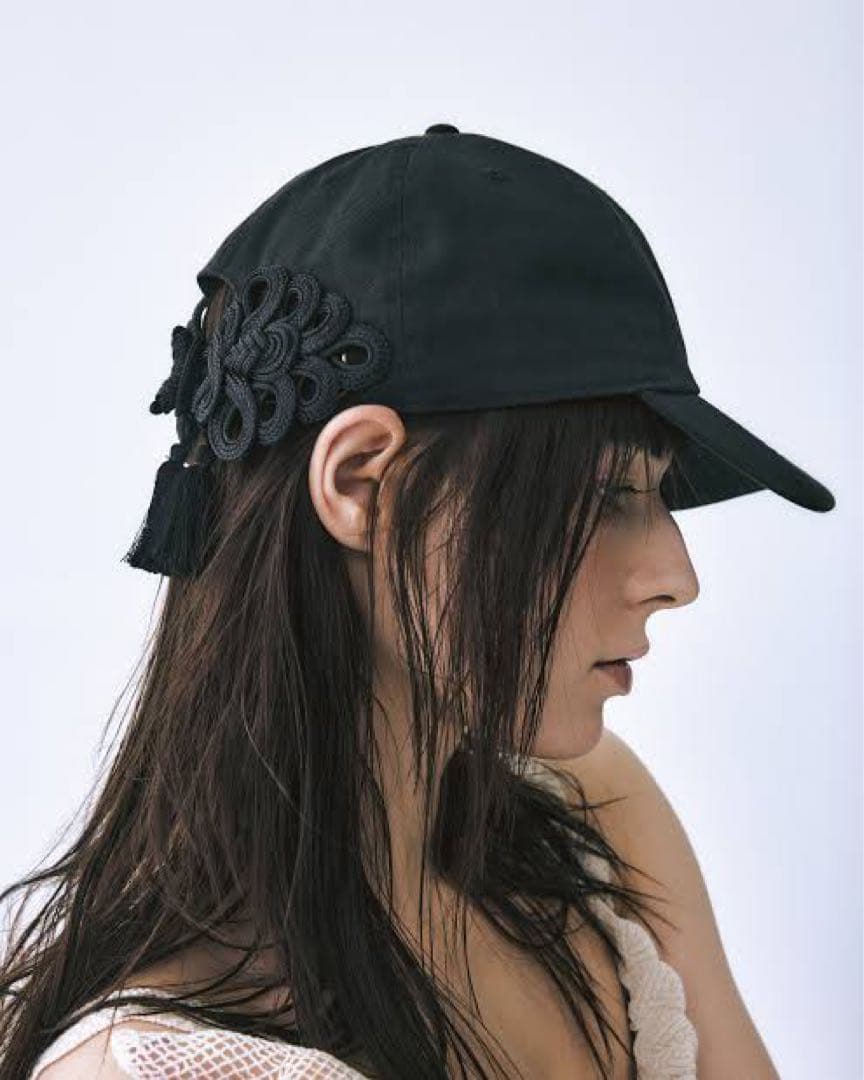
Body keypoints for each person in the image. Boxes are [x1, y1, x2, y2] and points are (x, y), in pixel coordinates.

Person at [0, 123, 834, 1079]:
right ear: (362, 484)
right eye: (608, 494)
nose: (676, 577)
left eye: (657, 493)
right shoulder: (170, 1065)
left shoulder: (596, 812)